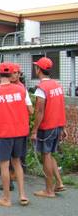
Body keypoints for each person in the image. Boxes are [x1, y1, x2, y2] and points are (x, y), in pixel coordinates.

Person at [0, 62, 33, 207]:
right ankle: (23, 195)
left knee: (4, 165)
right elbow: (30, 110)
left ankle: (6, 198)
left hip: (4, 133)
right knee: (17, 162)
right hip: (20, 132)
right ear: (11, 74)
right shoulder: (21, 90)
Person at [31, 57, 68, 198]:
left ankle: (48, 190)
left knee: (46, 155)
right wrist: (63, 126)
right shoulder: (57, 85)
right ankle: (59, 183)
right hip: (58, 125)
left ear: (38, 69)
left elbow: (39, 111)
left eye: (36, 67)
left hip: (47, 126)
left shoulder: (42, 88)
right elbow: (60, 106)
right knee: (50, 154)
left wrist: (34, 130)